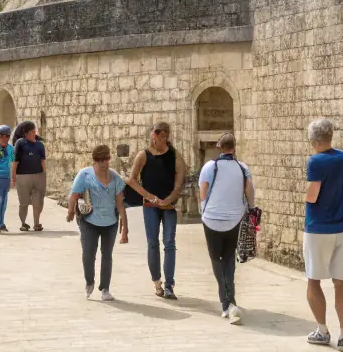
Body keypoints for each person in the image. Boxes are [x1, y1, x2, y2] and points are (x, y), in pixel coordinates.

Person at [304, 118, 343, 352]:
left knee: (314, 280)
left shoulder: (315, 161)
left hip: (319, 228)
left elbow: (313, 194)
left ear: (313, 140)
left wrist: (304, 196)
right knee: (340, 282)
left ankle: (323, 330)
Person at [198, 132, 255, 324]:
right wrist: (251, 210)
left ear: (219, 147)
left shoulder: (209, 167)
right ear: (234, 147)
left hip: (211, 219)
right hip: (234, 219)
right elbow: (249, 192)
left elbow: (203, 193)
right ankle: (230, 300)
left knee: (216, 259)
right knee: (229, 258)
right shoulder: (242, 168)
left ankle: (226, 302)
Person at [127, 121, 186, 299]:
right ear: (154, 136)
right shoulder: (143, 156)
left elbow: (180, 176)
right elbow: (132, 180)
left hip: (168, 206)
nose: (162, 141)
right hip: (150, 206)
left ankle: (169, 285)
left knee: (169, 243)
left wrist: (171, 197)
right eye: (159, 137)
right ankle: (157, 281)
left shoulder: (174, 155)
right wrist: (150, 196)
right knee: (153, 243)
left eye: (164, 138)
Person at [67, 144, 128, 301]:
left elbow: (120, 203)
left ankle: (105, 289)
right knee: (88, 254)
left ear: (109, 158)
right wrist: (70, 212)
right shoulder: (85, 175)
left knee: (107, 255)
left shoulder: (115, 178)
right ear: (95, 161)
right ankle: (89, 282)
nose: (104, 163)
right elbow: (74, 195)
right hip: (89, 221)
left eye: (106, 159)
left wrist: (125, 227)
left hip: (111, 222)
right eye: (100, 160)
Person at [13, 122, 47, 232]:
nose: (34, 134)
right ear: (26, 134)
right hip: (22, 177)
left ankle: (37, 223)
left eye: (35, 132)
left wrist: (44, 175)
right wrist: (13, 176)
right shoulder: (20, 143)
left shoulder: (40, 145)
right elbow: (15, 161)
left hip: (38, 176)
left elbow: (42, 161)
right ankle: (23, 223)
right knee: (24, 202)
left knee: (38, 201)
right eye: (32, 132)